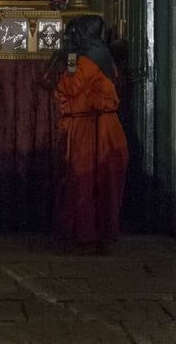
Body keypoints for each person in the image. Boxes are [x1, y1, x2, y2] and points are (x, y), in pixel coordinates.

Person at [48, 14, 128, 250]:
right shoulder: (105, 57)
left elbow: (69, 86)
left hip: (90, 128)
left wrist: (70, 59)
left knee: (83, 180)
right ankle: (101, 232)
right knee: (102, 182)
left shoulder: (85, 60)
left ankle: (86, 234)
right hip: (103, 126)